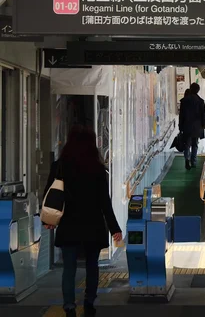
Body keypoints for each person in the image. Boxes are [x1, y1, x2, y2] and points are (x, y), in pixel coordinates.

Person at [43, 126, 122, 317]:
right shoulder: (97, 168)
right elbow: (105, 202)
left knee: (69, 267)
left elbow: (49, 194)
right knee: (92, 265)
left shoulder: (59, 166)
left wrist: (48, 219)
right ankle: (89, 302)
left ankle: (69, 305)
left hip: (68, 224)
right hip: (92, 224)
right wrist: (114, 228)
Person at [179, 83, 205, 170]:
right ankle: (194, 161)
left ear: (191, 89)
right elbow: (203, 115)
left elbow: (181, 115)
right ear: (198, 90)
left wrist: (180, 127)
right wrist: (204, 125)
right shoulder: (201, 101)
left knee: (187, 144)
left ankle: (187, 160)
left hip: (187, 126)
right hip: (197, 126)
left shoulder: (184, 101)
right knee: (195, 144)